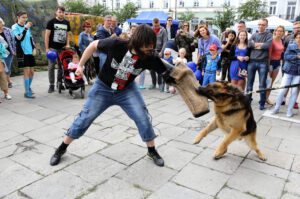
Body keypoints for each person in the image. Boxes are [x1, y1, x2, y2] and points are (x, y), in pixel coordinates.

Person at [49, 24, 176, 167]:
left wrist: (172, 79)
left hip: (127, 90)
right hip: (102, 88)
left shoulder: (150, 56)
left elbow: (166, 72)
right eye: (147, 46)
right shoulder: (116, 44)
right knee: (85, 117)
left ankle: (151, 150)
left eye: (152, 46)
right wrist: (80, 65)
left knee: (142, 117)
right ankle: (61, 148)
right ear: (138, 42)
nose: (150, 49)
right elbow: (93, 45)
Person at [270, 31, 300, 117]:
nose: (299, 39)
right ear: (295, 38)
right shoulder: (291, 46)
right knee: (282, 90)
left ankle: (289, 110)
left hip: (298, 73)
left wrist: (293, 60)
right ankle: (276, 107)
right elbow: (286, 57)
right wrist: (297, 57)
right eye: (297, 37)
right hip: (288, 71)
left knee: (294, 92)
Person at [247, 18, 273, 110]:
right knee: (249, 83)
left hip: (263, 62)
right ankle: (248, 100)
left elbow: (267, 45)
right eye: (259, 24)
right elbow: (249, 44)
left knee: (262, 84)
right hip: (252, 62)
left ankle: (262, 103)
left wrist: (255, 45)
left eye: (263, 24)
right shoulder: (254, 34)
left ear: (266, 26)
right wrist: (258, 45)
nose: (260, 26)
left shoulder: (269, 35)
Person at [45, 6, 71, 93]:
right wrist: (47, 48)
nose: (61, 14)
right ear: (56, 12)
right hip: (52, 49)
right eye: (59, 12)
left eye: (63, 12)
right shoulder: (51, 22)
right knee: (51, 66)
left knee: (62, 66)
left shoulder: (66, 23)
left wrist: (67, 44)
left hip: (62, 49)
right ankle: (51, 85)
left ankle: (59, 83)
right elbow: (47, 36)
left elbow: (67, 35)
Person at [12, 11, 36, 98]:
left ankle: (28, 87)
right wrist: (25, 28)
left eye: (26, 17)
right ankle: (27, 92)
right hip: (22, 52)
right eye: (23, 17)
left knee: (32, 72)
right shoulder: (14, 27)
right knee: (27, 71)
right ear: (18, 17)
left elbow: (30, 38)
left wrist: (34, 48)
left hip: (30, 51)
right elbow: (19, 38)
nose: (25, 19)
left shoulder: (27, 27)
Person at [282, 21, 300, 109]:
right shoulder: (288, 38)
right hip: (288, 65)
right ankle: (283, 98)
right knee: (286, 84)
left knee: (296, 86)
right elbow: (284, 50)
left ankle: (294, 101)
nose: (297, 29)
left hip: (298, 67)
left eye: (298, 28)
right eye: (295, 28)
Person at [266, 25, 285, 105]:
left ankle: (267, 98)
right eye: (278, 30)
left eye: (281, 31)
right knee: (268, 82)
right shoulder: (272, 40)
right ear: (275, 31)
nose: (279, 32)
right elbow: (269, 54)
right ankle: (264, 99)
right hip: (271, 62)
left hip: (278, 63)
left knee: (272, 82)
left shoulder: (281, 41)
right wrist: (268, 65)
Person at [149, 18, 167, 90]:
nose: (156, 27)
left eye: (158, 25)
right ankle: (153, 83)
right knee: (151, 69)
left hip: (160, 51)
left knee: (159, 69)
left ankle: (160, 83)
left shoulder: (163, 30)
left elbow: (165, 41)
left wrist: (162, 52)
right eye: (155, 26)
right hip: (151, 51)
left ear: (159, 23)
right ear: (153, 24)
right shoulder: (150, 30)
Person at [0, 17, 16, 88]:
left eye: (0, 22)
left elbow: (13, 41)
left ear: (2, 23)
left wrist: (14, 50)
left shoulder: (8, 30)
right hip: (0, 53)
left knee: (7, 67)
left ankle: (8, 81)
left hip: (9, 52)